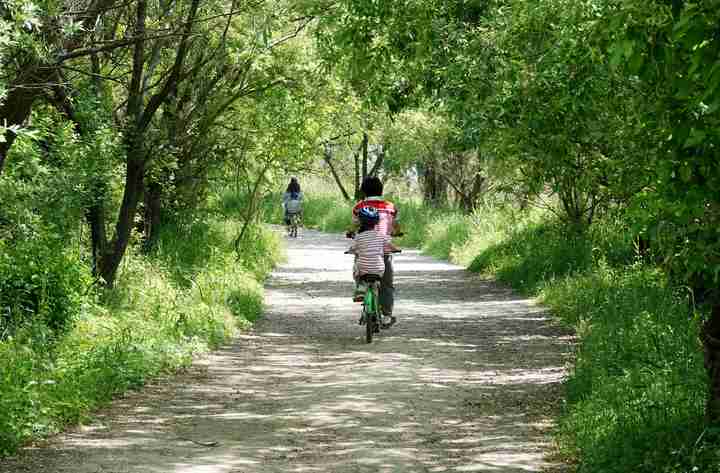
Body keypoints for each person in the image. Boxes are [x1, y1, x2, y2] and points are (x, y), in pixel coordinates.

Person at [349, 176, 400, 325]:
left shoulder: (359, 207)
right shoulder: (390, 207)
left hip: (365, 251)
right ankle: (387, 316)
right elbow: (396, 225)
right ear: (380, 189)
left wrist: (350, 232)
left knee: (359, 269)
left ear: (364, 190)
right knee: (387, 284)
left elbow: (354, 226)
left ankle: (360, 288)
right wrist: (396, 232)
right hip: (384, 251)